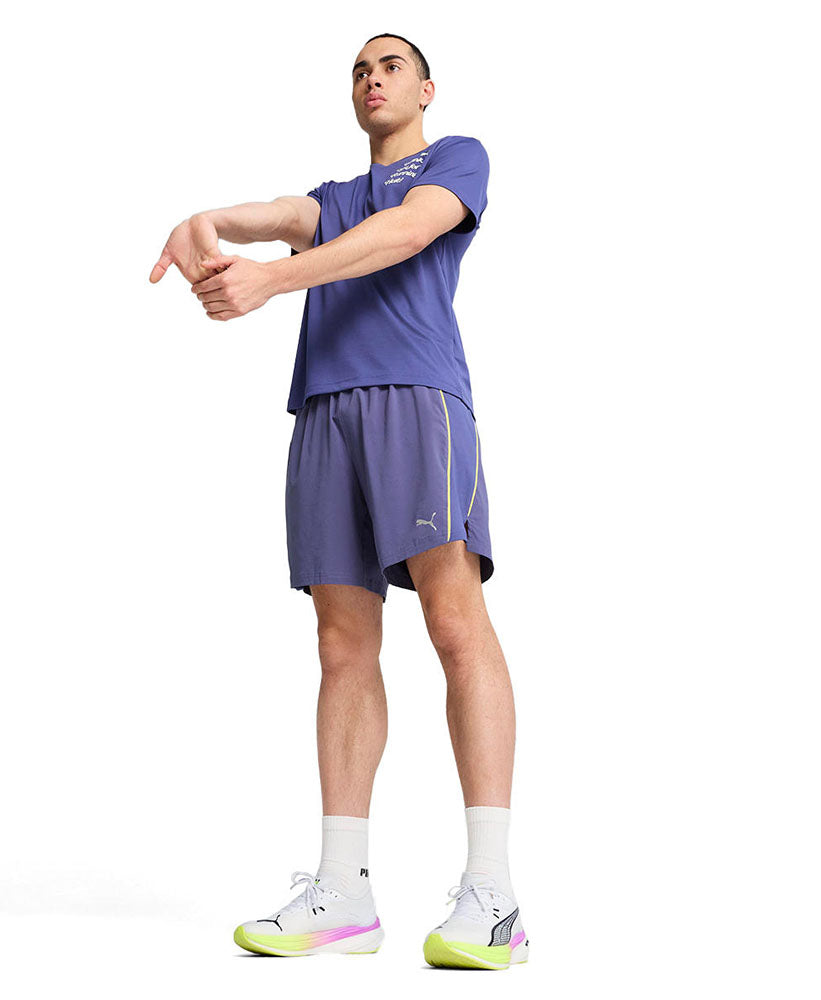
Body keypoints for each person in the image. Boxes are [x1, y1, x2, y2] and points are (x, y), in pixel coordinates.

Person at [149, 32, 527, 971]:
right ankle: (344, 893)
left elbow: (402, 236)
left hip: (417, 402)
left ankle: (494, 896)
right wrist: (204, 220)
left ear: (426, 89)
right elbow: (278, 214)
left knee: (454, 623)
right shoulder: (331, 199)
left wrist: (273, 278)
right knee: (340, 646)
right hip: (325, 411)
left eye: (390, 66)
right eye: (359, 70)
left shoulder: (458, 159)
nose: (372, 79)